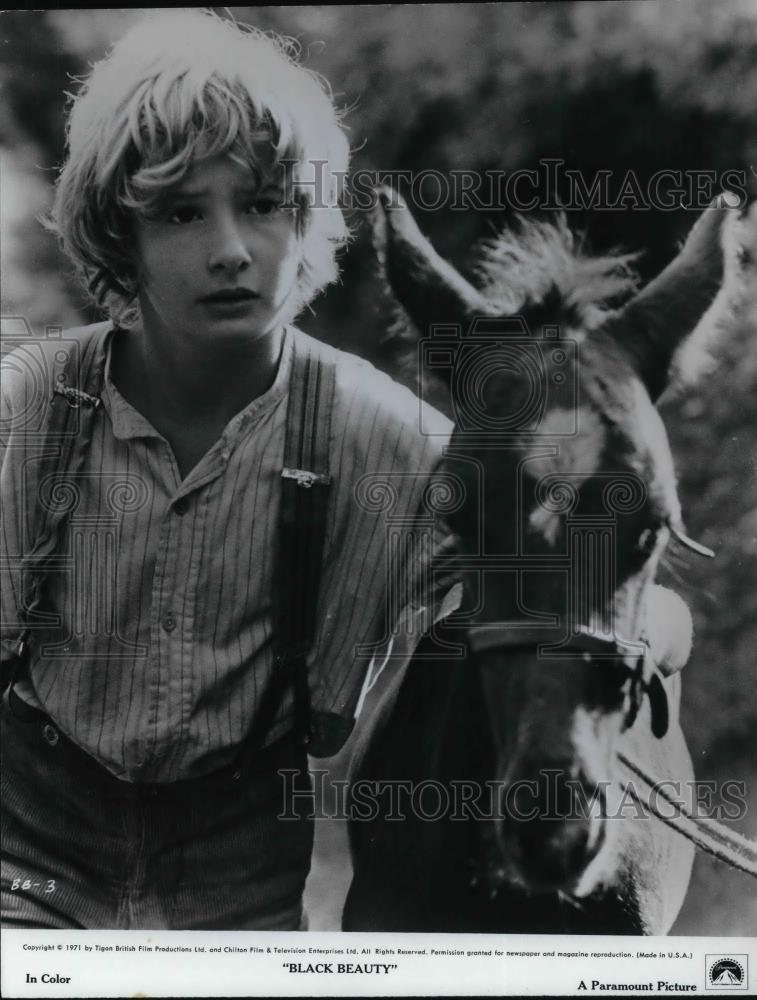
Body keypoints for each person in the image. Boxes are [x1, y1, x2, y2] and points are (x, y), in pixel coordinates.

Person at [0, 10, 454, 930]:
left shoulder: (390, 442)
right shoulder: (27, 407)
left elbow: (559, 571)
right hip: (30, 845)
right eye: (179, 212)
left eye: (263, 204)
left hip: (242, 864)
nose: (231, 250)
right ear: (116, 233)